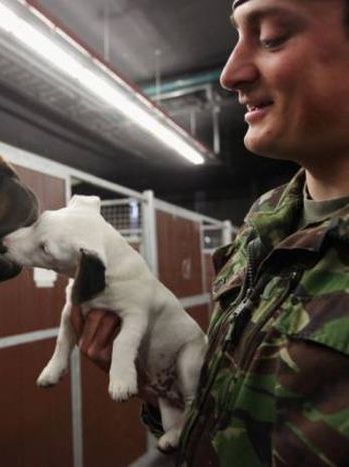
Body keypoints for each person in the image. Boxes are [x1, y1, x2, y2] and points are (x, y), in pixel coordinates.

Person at [71, 0, 349, 465]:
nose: (230, 73)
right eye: (236, 39)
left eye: (273, 37)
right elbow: (233, 421)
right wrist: (163, 390)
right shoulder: (266, 220)